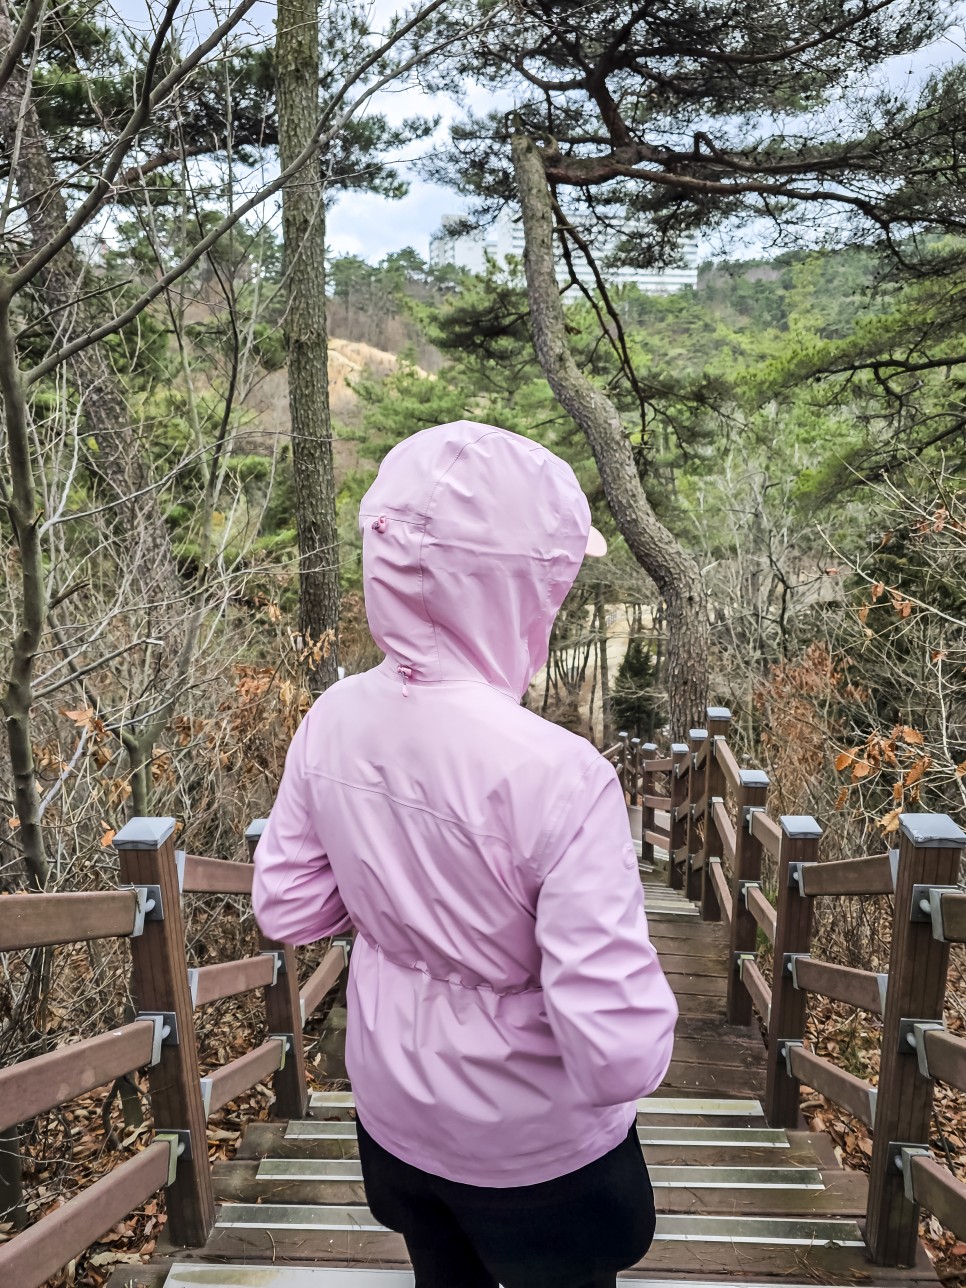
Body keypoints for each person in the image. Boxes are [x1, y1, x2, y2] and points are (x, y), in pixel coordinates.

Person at [253, 420, 678, 1288]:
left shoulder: (332, 716)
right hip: (537, 1149)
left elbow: (287, 906)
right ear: (523, 588)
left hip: (395, 1111)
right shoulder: (562, 775)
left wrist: (398, 902)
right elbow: (616, 1051)